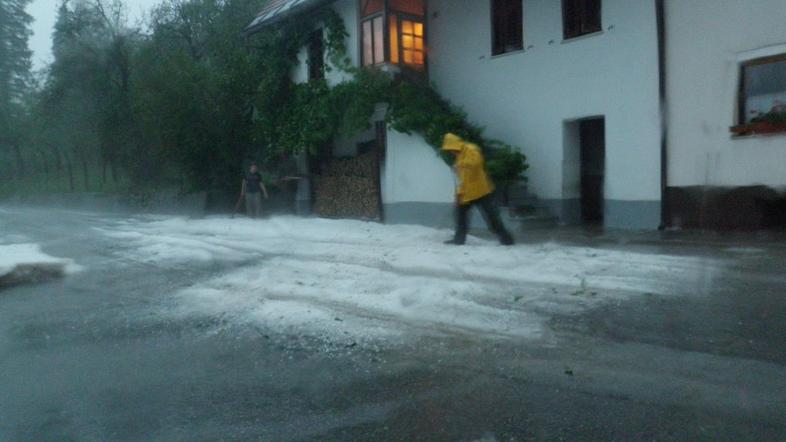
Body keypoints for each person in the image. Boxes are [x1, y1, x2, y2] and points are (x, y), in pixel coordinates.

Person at [442, 133, 514, 246]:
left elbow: (476, 162)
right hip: (467, 194)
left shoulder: (470, 149)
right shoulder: (458, 159)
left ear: (455, 146)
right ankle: (458, 239)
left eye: (451, 149)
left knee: (492, 217)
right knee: (461, 217)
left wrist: (461, 164)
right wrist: (458, 195)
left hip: (481, 191)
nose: (451, 152)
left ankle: (507, 240)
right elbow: (461, 180)